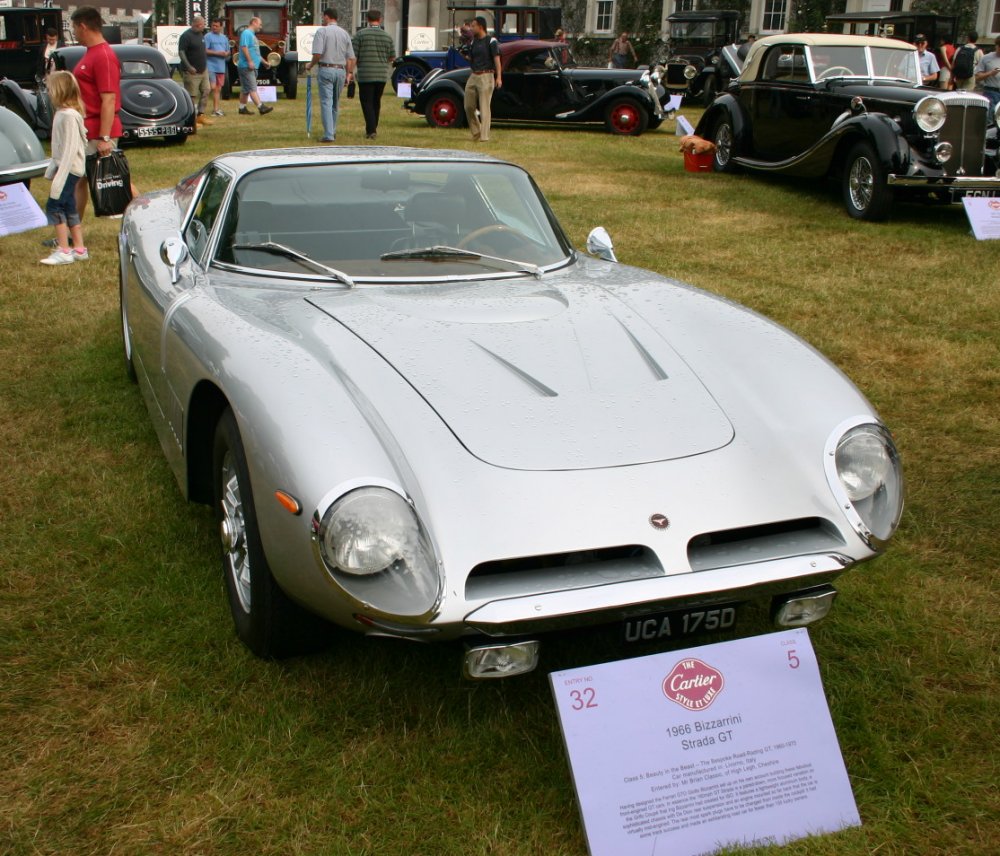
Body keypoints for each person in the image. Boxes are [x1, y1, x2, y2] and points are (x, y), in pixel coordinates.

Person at [69, 6, 135, 222]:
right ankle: (73, 230)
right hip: (89, 127)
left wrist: (105, 137)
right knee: (80, 179)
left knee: (115, 177)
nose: (74, 33)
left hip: (99, 129)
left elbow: (109, 99)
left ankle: (146, 216)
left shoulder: (104, 56)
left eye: (74, 28)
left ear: (83, 26)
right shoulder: (92, 53)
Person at [40, 71, 88, 265]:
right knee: (68, 206)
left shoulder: (67, 116)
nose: (48, 92)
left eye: (50, 89)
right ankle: (79, 247)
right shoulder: (65, 114)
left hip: (69, 169)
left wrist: (59, 177)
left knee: (54, 206)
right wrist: (53, 168)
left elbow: (69, 149)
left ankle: (64, 250)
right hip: (68, 168)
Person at [305, 8, 355, 142]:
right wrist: (349, 73)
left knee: (326, 102)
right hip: (340, 70)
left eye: (323, 17)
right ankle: (332, 129)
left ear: (326, 17)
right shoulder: (345, 33)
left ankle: (328, 134)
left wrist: (310, 65)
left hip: (326, 68)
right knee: (335, 103)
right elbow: (351, 57)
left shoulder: (322, 31)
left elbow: (317, 54)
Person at [352, 8, 394, 140]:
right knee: (376, 102)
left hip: (365, 74)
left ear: (367, 19)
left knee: (367, 102)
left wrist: (350, 71)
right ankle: (373, 127)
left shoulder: (360, 35)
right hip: (381, 74)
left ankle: (371, 130)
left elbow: (354, 56)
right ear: (380, 19)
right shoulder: (387, 37)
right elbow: (392, 57)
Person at [463, 16, 501, 142]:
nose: (471, 28)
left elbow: (496, 59)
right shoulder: (473, 42)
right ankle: (476, 132)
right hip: (474, 74)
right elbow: (472, 59)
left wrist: (498, 77)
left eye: (473, 26)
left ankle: (484, 137)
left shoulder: (491, 41)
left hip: (487, 75)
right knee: (468, 106)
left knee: (484, 107)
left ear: (481, 26)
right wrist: (464, 55)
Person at [178, 15, 212, 128]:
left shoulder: (201, 34)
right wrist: (188, 66)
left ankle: (200, 115)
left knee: (206, 90)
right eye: (203, 25)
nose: (204, 27)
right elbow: (181, 52)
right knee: (191, 96)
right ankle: (190, 119)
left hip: (203, 70)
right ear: (198, 24)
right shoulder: (186, 36)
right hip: (192, 72)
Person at [237, 16, 274, 115]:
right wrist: (249, 61)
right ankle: (261, 107)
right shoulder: (246, 33)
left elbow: (256, 53)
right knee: (252, 88)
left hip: (252, 66)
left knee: (245, 89)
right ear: (254, 22)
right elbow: (244, 47)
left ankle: (242, 108)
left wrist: (264, 62)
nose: (260, 27)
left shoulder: (252, 35)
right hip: (246, 66)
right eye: (260, 24)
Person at [204, 18, 230, 116]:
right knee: (212, 87)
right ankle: (202, 108)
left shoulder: (224, 38)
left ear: (221, 27)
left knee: (218, 89)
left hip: (221, 67)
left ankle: (216, 109)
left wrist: (225, 53)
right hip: (210, 66)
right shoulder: (207, 36)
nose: (214, 28)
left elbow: (228, 51)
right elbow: (205, 50)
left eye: (216, 26)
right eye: (213, 26)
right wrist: (217, 53)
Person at [973, 36, 1000, 109]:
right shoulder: (986, 58)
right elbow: (977, 77)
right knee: (989, 118)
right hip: (991, 92)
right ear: (996, 46)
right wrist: (990, 73)